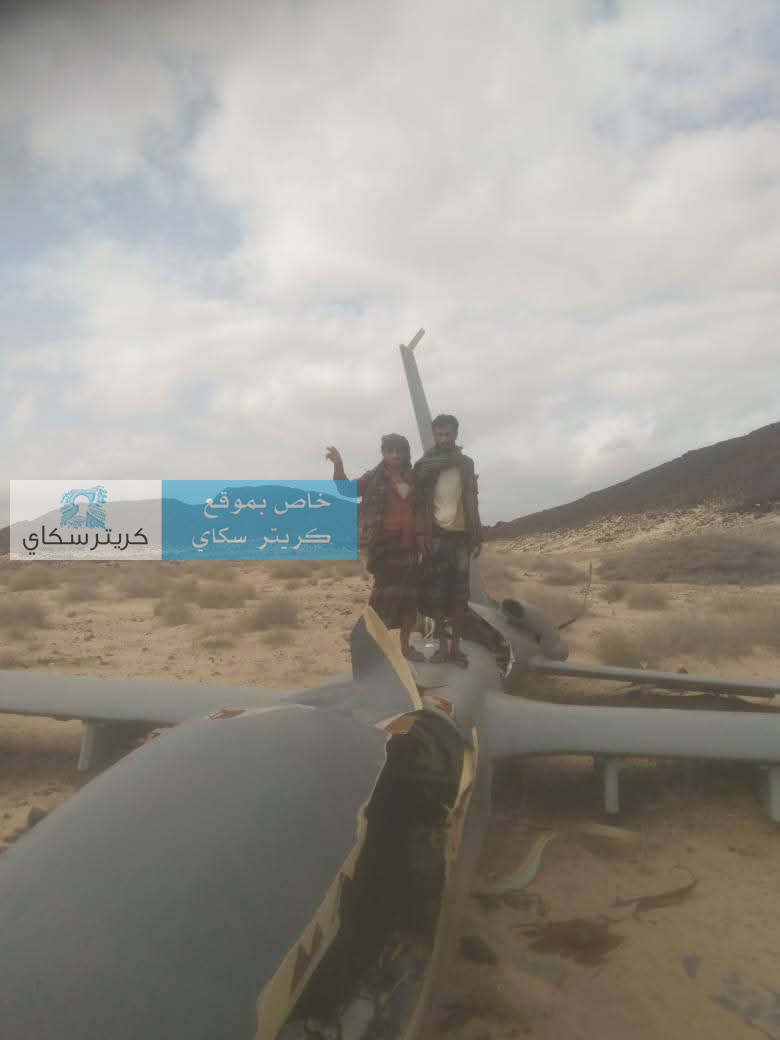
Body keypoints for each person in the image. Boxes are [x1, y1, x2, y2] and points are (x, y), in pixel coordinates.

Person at [326, 435, 424, 661]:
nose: (395, 455)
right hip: (384, 547)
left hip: (410, 548)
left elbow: (424, 508)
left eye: (399, 450)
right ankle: (374, 649)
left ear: (406, 453)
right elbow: (346, 490)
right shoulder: (373, 478)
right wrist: (338, 465)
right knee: (382, 600)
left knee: (410, 599)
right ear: (383, 453)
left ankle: (405, 647)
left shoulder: (415, 478)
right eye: (390, 450)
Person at [414, 413, 482, 667]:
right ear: (434, 435)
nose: (444, 438)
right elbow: (418, 504)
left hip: (462, 536)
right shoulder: (424, 466)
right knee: (437, 594)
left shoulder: (466, 464)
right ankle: (442, 646)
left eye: (448, 434)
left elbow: (472, 499)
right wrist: (421, 534)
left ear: (455, 434)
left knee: (460, 595)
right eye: (439, 434)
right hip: (437, 536)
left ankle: (455, 648)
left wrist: (477, 533)